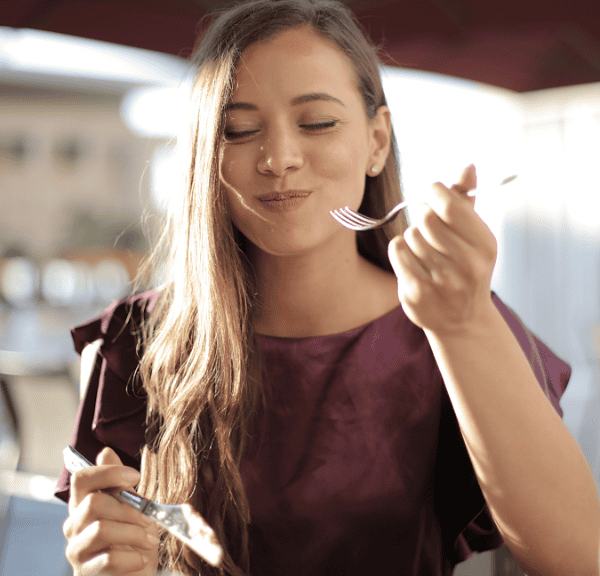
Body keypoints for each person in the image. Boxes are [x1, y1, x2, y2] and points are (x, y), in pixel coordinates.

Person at [55, 1, 600, 575]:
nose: (279, 159)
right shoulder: (141, 341)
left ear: (377, 142)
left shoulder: (453, 321)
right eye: (238, 130)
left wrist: (463, 324)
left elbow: (580, 558)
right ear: (205, 158)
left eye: (317, 122)